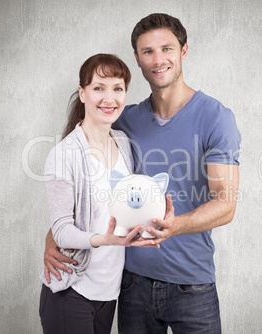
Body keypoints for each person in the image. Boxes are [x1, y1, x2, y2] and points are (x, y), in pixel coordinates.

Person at [43, 13, 241, 334]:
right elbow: (85, 178)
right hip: (131, 283)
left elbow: (226, 204)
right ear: (137, 58)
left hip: (191, 286)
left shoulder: (215, 118)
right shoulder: (125, 121)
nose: (158, 59)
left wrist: (174, 226)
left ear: (184, 51)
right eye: (147, 51)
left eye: (167, 48)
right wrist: (54, 235)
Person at [39, 53, 164, 334]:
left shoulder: (122, 143)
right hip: (72, 290)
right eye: (99, 88)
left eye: (117, 88)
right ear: (82, 94)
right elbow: (61, 231)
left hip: (109, 293)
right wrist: (103, 240)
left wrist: (152, 218)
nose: (110, 98)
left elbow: (125, 207)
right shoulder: (65, 155)